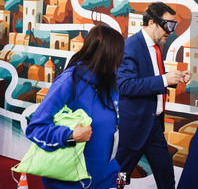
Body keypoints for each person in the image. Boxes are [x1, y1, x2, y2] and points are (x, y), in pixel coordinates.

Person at [25, 23, 124, 188]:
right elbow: (35, 128)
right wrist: (70, 136)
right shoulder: (68, 81)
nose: (119, 62)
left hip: (105, 179)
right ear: (104, 55)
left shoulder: (110, 83)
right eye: (117, 57)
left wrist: (117, 174)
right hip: (70, 182)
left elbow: (111, 133)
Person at [116, 2, 191, 189]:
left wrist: (174, 79)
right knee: (121, 177)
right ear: (152, 23)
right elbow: (125, 85)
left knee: (166, 176)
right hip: (134, 129)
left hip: (155, 127)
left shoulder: (157, 47)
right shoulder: (130, 47)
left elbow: (152, 81)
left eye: (173, 26)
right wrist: (164, 80)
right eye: (168, 25)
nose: (170, 31)